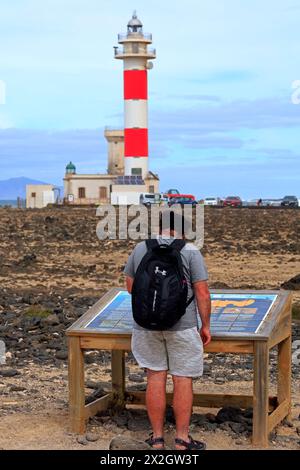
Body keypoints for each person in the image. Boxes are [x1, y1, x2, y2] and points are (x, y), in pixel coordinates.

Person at [124, 213, 211, 450]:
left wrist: (153, 305)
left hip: (146, 325)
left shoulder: (141, 247)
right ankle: (182, 439)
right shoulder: (191, 251)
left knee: (155, 376)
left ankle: (157, 439)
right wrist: (205, 325)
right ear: (184, 230)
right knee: (182, 379)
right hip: (182, 326)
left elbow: (131, 286)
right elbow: (202, 292)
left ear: (160, 227)